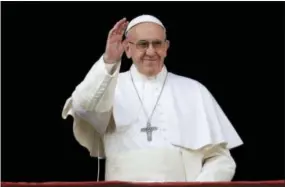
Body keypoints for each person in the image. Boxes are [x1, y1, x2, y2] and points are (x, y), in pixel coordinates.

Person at [62, 14, 243, 182]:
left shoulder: (194, 90)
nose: (151, 51)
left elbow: (222, 159)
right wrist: (109, 60)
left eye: (157, 44)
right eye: (142, 44)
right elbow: (82, 107)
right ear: (127, 49)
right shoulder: (109, 86)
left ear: (166, 47)